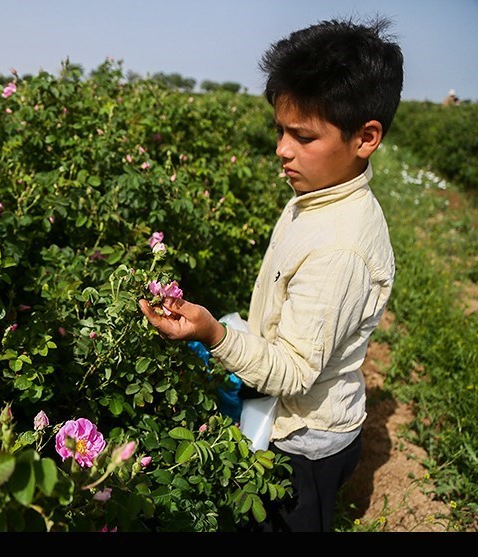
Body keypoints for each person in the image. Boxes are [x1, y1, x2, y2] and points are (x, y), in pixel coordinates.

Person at [138, 16, 403, 532]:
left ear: (366, 137)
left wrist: (214, 334)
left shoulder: (341, 248)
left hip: (306, 447)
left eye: (302, 135)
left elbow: (295, 373)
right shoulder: (314, 195)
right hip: (288, 417)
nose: (282, 149)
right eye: (279, 130)